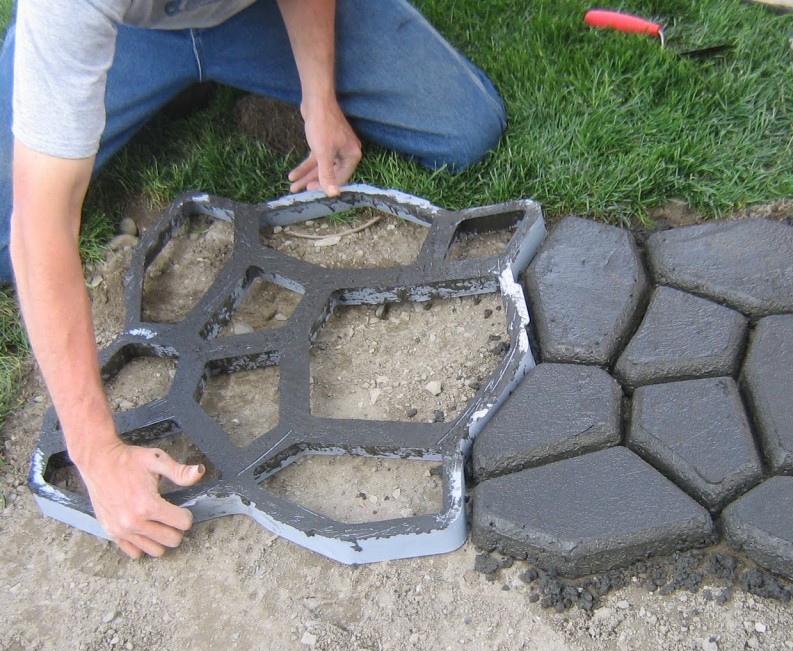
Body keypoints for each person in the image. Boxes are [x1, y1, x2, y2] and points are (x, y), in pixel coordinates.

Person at [0, 0, 506, 559]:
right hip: (128, 37)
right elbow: (38, 230)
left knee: (463, 128)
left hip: (251, 16)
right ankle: (159, 79)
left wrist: (319, 98)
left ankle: (210, 73)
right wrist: (94, 450)